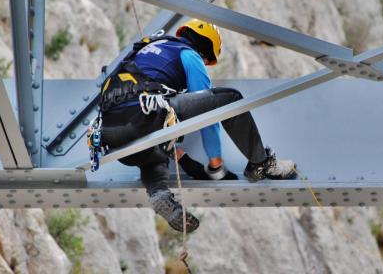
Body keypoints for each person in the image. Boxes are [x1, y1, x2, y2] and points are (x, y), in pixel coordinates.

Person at [99, 19, 297, 232]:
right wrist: (215, 162)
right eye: (206, 58)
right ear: (205, 48)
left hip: (111, 134)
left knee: (153, 158)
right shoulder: (188, 54)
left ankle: (159, 193)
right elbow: (209, 115)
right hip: (144, 113)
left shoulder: (144, 51)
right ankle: (262, 163)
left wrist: (180, 154)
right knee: (230, 98)